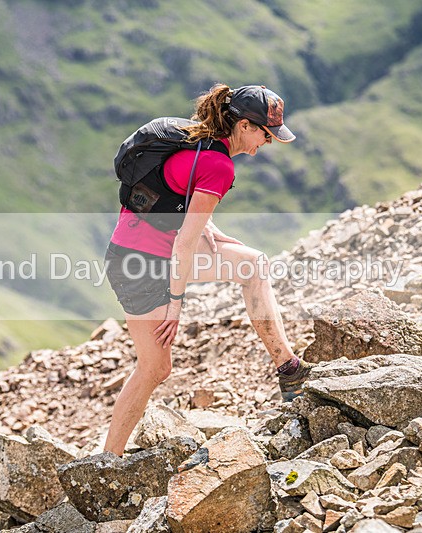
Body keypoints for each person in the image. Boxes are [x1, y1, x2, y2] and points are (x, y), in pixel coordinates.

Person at [103, 83, 313, 456]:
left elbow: (180, 193)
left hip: (127, 255)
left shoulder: (196, 140)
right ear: (245, 126)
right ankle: (106, 461)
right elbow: (184, 244)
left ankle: (288, 366)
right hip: (147, 265)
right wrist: (175, 304)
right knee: (155, 368)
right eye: (266, 134)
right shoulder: (218, 164)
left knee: (252, 265)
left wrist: (212, 231)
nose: (266, 142)